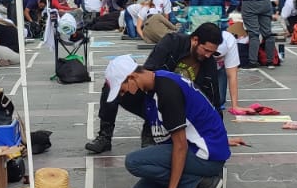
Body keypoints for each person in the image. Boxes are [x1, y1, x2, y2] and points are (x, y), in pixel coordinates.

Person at [102, 56, 248, 188]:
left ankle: (206, 184)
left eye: (123, 89)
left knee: (133, 161)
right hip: (200, 147)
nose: (125, 94)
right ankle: (196, 183)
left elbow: (180, 146)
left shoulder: (167, 91)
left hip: (205, 154)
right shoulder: (154, 85)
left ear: (131, 78)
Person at [85, 23, 225, 154]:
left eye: (212, 53)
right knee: (112, 86)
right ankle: (105, 136)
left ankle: (155, 132)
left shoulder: (209, 63)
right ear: (195, 40)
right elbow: (149, 72)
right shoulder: (172, 42)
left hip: (182, 108)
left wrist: (219, 135)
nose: (208, 55)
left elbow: (213, 98)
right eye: (206, 50)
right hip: (154, 98)